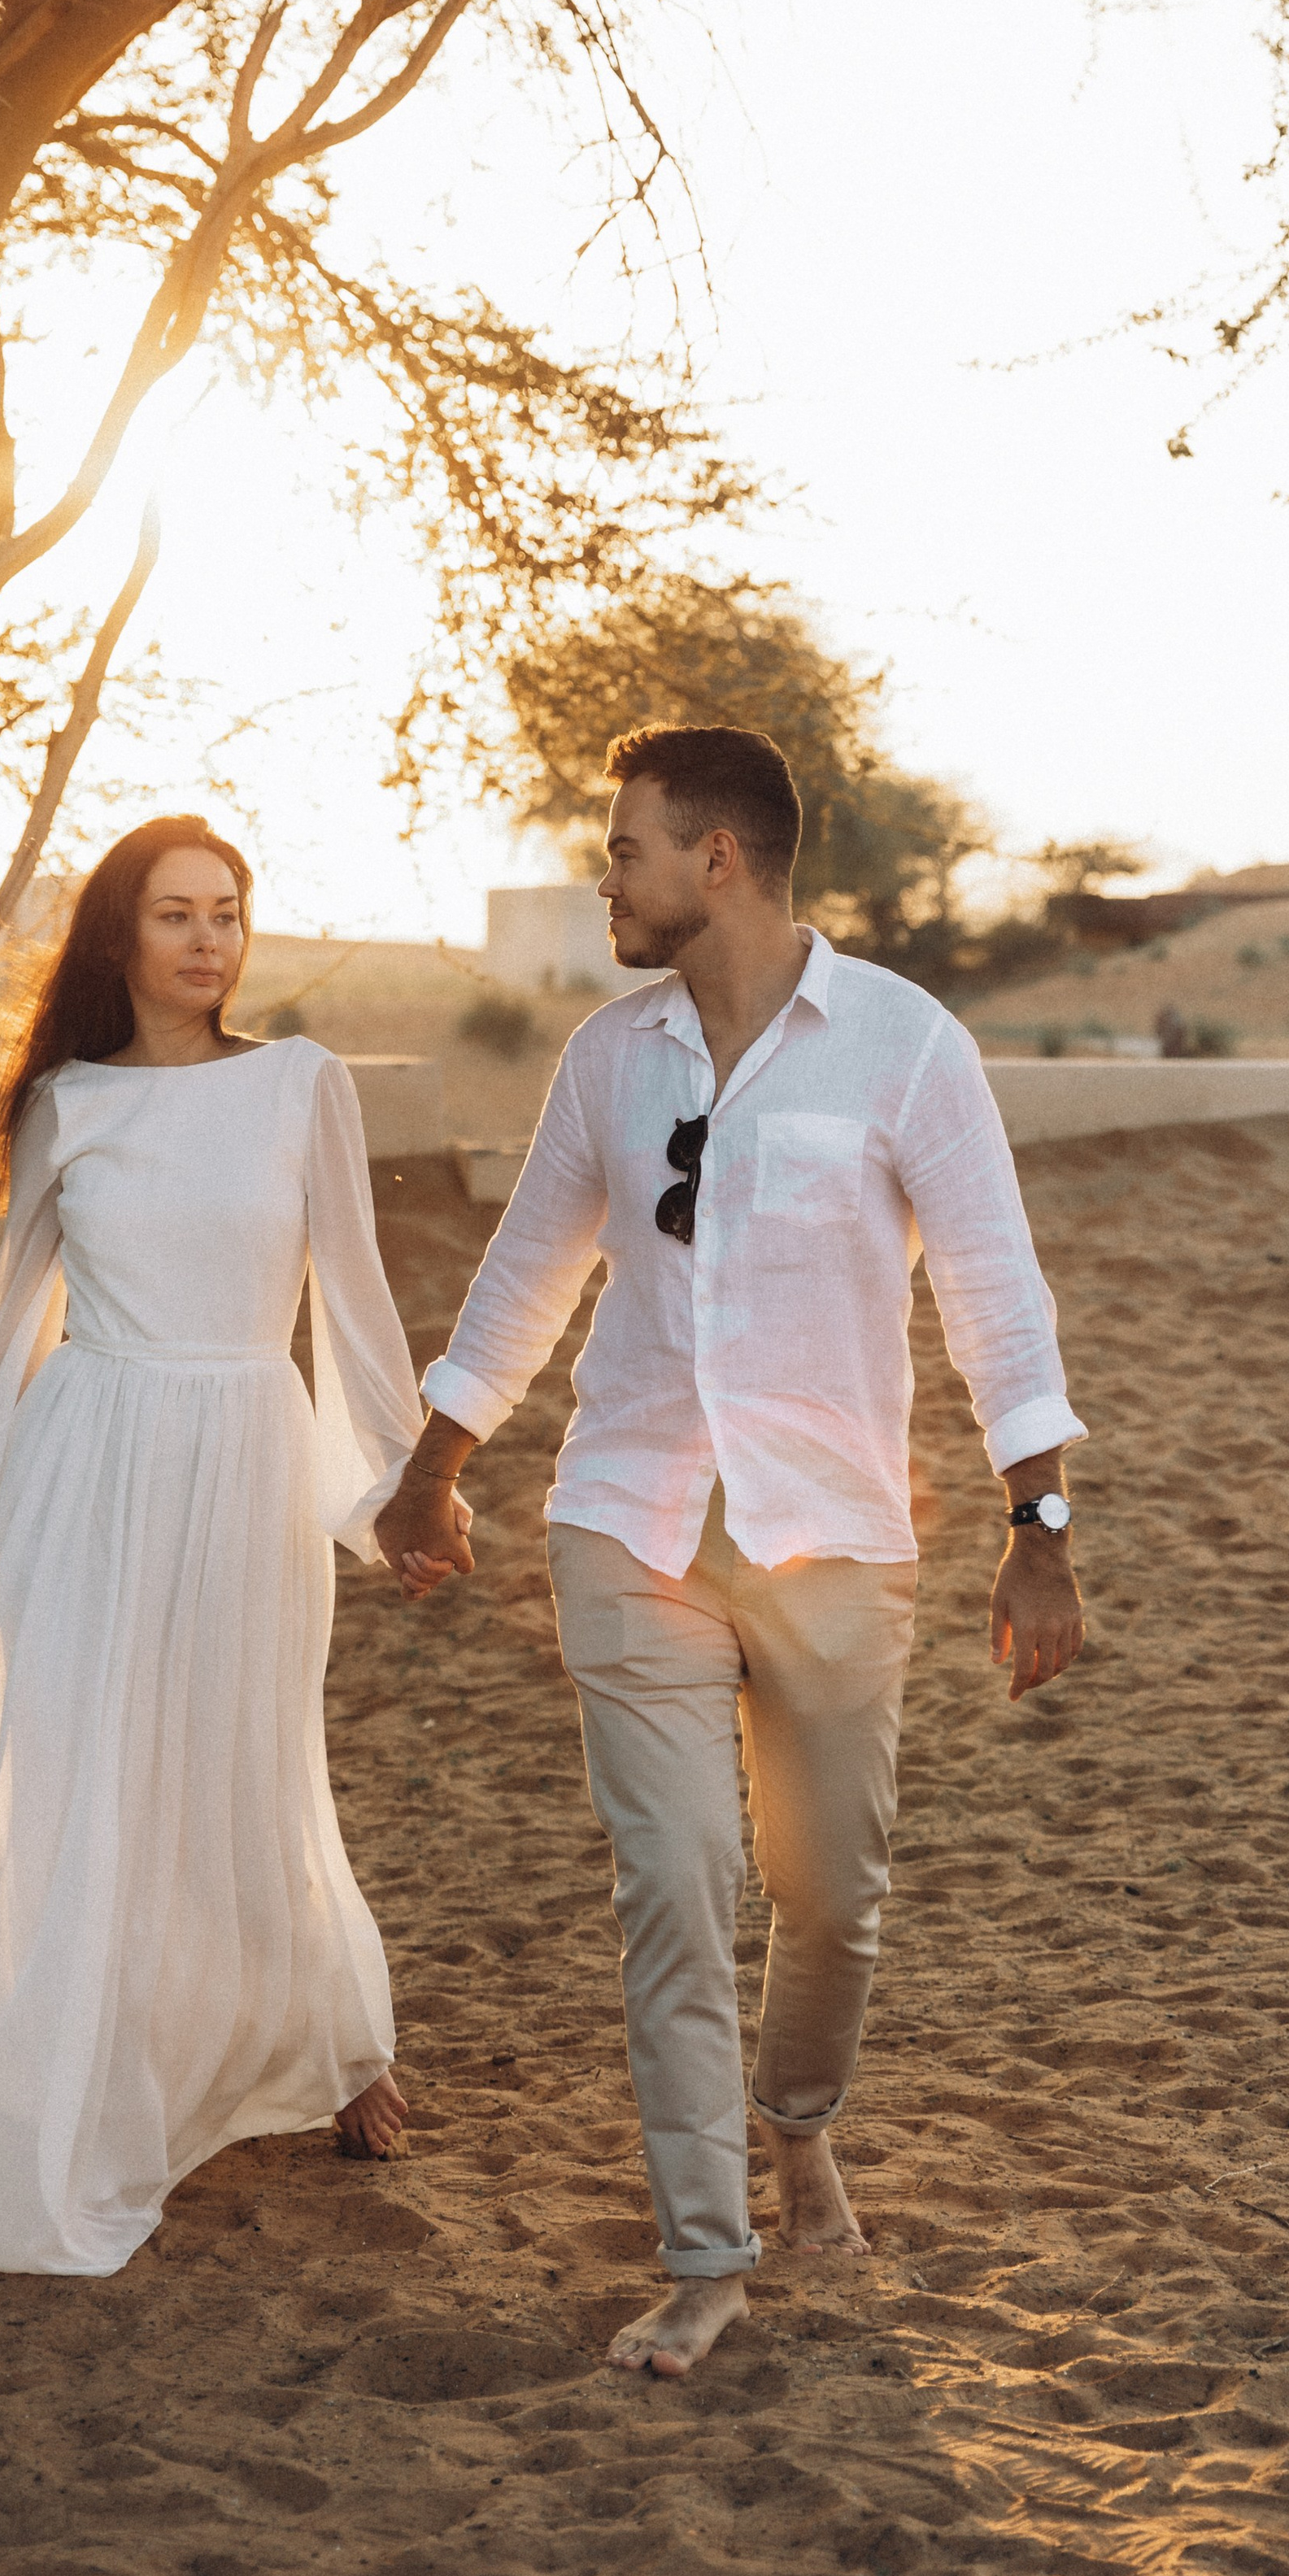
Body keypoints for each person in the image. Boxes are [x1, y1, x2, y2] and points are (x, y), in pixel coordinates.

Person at [376, 726, 1088, 2379]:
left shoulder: (903, 1048)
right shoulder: (605, 1060)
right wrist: (434, 1467)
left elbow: (993, 1296)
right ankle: (705, 2258)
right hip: (625, 1522)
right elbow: (524, 1276)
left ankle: (798, 2124)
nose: (600, 882)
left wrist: (1035, 1528)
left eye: (621, 850)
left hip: (833, 1531)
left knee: (829, 1895)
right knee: (677, 1887)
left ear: (717, 861)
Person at [0, 814, 428, 2276]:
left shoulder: (302, 1085)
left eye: (229, 912)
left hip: (246, 1448)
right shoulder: (67, 1101)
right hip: (88, 1456)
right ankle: (88, 2061)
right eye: (178, 914)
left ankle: (337, 2042)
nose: (208, 940)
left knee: (245, 1758)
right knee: (82, 1759)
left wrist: (399, 1485)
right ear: (122, 937)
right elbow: (14, 1325)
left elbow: (355, 1304)